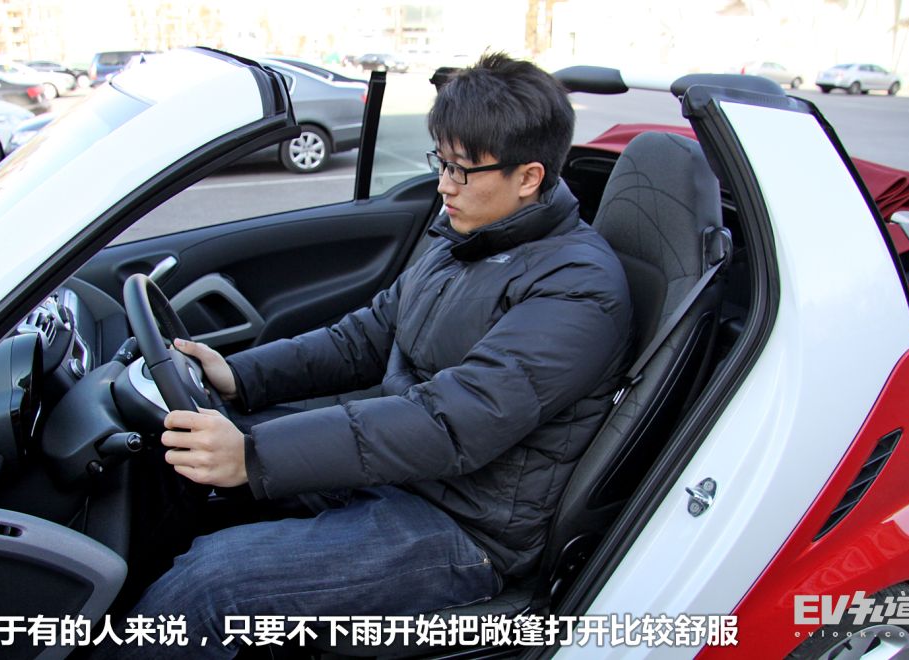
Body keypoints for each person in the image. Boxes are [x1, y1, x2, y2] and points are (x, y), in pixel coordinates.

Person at [116, 52, 631, 657]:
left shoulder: (577, 289)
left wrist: (253, 456)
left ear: (528, 177)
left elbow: (448, 425)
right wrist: (238, 376)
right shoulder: (466, 240)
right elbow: (366, 337)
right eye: (441, 162)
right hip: (407, 475)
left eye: (462, 170)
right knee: (172, 461)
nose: (443, 185)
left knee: (214, 582)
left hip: (466, 527)